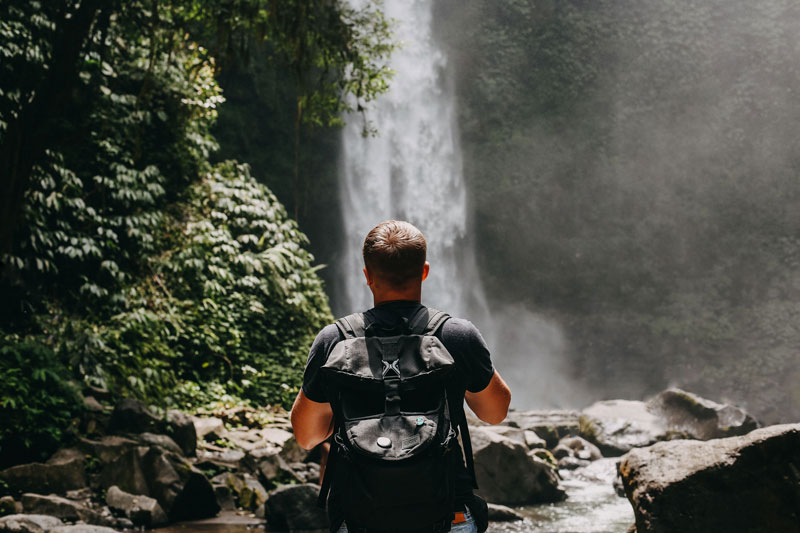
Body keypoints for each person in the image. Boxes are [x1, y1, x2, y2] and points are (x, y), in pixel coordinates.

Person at [291, 220, 511, 533]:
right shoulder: (457, 336)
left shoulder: (334, 340)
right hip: (447, 513)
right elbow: (495, 413)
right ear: (425, 271)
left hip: (359, 517)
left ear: (367, 276)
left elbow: (307, 436)